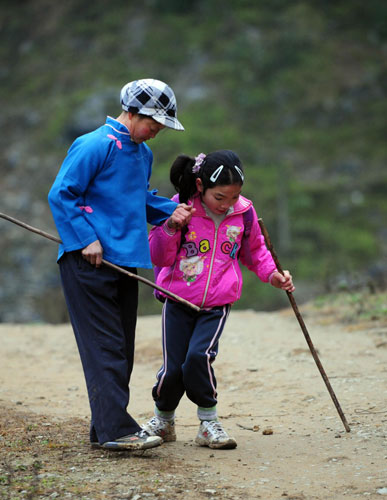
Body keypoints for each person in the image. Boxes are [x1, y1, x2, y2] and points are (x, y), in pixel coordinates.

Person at [48, 78, 193, 451]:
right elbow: (62, 194)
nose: (156, 133)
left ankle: (106, 430)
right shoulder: (95, 144)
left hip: (125, 263)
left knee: (122, 350)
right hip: (88, 263)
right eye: (153, 124)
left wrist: (169, 212)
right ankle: (117, 431)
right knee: (105, 348)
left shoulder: (142, 154)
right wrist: (84, 238)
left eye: (161, 127)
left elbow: (138, 199)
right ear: (132, 113)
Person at [142, 150, 295, 449]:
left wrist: (274, 274)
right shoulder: (178, 208)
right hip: (177, 299)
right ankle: (164, 420)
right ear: (200, 186)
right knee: (174, 368)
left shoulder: (244, 213)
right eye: (220, 197)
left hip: (216, 304)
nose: (227, 205)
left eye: (234, 197)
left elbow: (255, 253)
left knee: (198, 358)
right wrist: (171, 226)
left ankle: (208, 422)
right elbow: (157, 255)